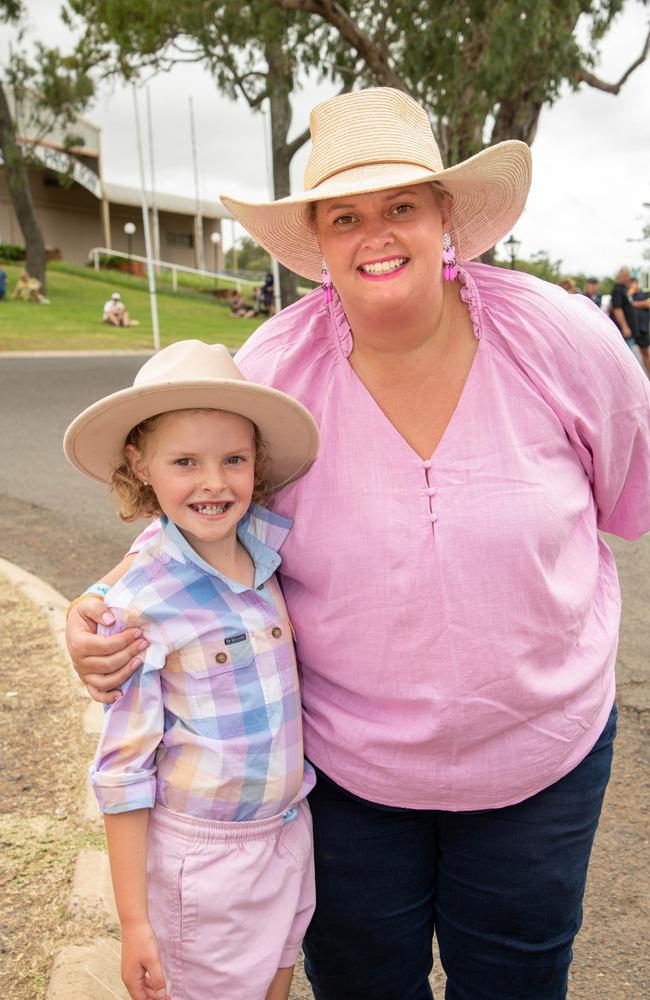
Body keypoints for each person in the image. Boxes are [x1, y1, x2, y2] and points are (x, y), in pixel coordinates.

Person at [65, 88, 650, 1000]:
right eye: (347, 216)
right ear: (319, 240)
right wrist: (95, 613)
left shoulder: (562, 338)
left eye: (401, 206)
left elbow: (626, 490)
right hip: (342, 773)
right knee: (362, 982)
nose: (377, 235)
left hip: (541, 760)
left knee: (519, 981)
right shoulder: (269, 375)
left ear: (445, 214)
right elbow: (190, 523)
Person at [63, 339, 319, 1000]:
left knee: (276, 984)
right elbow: (120, 774)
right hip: (203, 861)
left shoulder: (260, 541)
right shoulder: (137, 610)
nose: (214, 483)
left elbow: (153, 538)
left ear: (256, 463)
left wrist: (89, 592)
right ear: (140, 465)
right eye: (185, 462)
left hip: (288, 832)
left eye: (233, 459)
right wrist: (133, 923)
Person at [608, 266, 638, 348]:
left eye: (628, 276)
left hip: (630, 331)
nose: (627, 278)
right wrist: (625, 327)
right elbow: (617, 309)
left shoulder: (625, 289)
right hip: (624, 333)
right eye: (625, 276)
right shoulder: (617, 289)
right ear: (619, 276)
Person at [628, 275, 650, 377]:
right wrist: (629, 295)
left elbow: (647, 304)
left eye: (634, 282)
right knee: (628, 356)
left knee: (645, 353)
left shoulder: (645, 293)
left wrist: (632, 303)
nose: (632, 284)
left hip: (642, 328)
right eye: (630, 282)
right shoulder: (627, 294)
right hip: (630, 329)